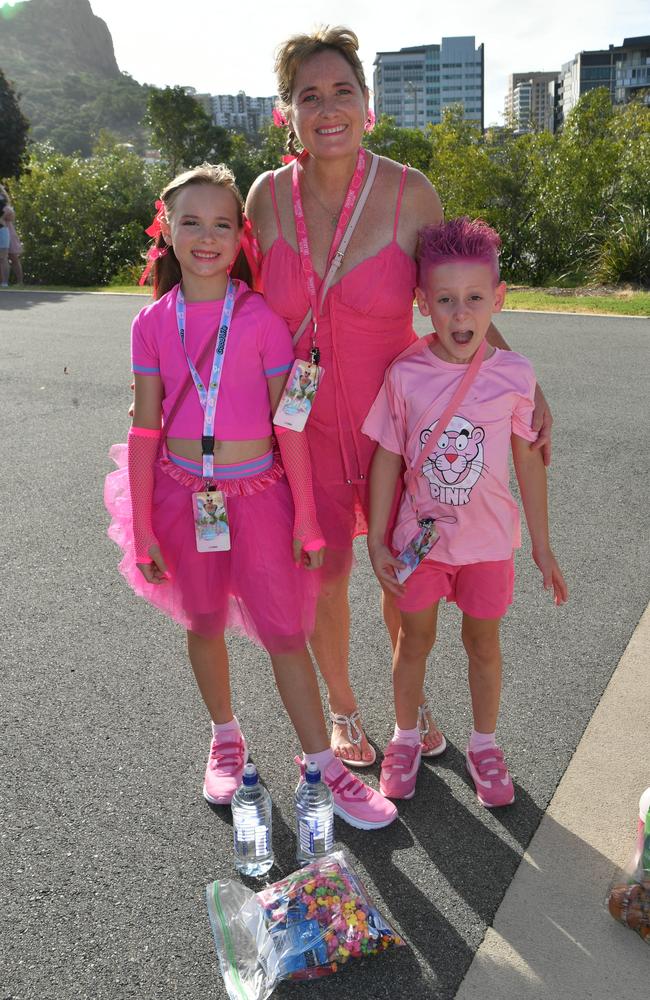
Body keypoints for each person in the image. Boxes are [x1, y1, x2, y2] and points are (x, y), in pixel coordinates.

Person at [245, 26, 553, 767]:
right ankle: (345, 711)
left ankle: (406, 714)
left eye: (341, 91)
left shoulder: (411, 192)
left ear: (366, 103)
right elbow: (234, 309)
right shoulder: (264, 200)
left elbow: (461, 303)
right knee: (325, 576)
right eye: (308, 95)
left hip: (397, 428)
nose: (327, 108)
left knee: (400, 566)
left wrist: (524, 383)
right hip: (301, 429)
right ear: (287, 111)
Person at [104, 163, 396, 831]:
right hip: (184, 497)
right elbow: (144, 428)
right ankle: (226, 736)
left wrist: (307, 518)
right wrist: (144, 525)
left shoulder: (259, 318)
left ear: (241, 237)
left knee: (285, 634)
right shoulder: (151, 324)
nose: (206, 237)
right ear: (168, 233)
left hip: (260, 496)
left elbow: (287, 422)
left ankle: (322, 761)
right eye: (191, 222)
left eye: (222, 224)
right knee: (203, 621)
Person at [362, 217, 568, 805]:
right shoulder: (406, 373)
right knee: (414, 641)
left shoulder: (515, 374)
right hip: (418, 542)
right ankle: (405, 737)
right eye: (445, 300)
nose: (460, 315)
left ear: (497, 300)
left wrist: (542, 545)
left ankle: (484, 744)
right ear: (422, 302)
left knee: (483, 644)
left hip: (487, 545)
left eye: (475, 300)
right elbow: (386, 459)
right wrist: (377, 539)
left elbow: (529, 461)